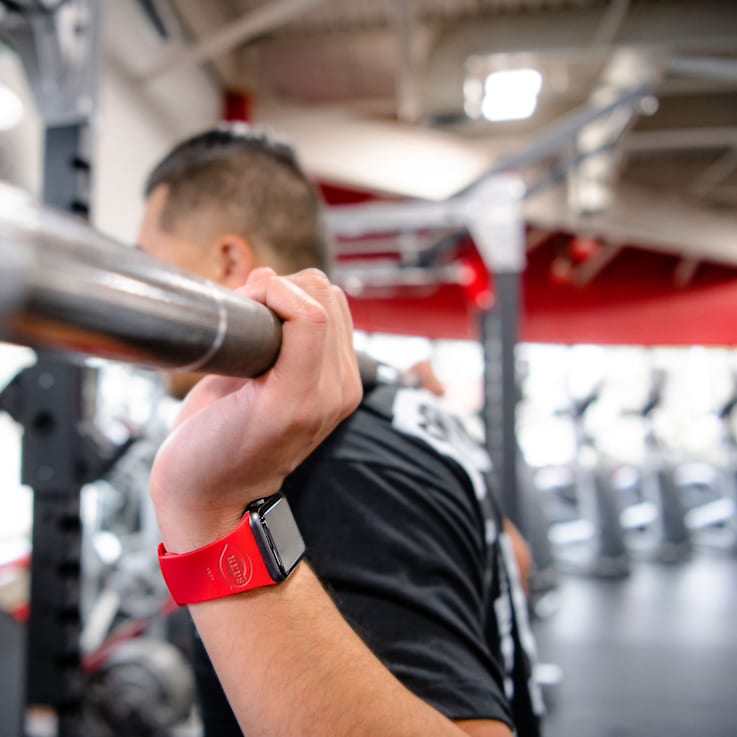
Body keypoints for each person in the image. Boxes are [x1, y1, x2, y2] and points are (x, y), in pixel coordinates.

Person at [138, 125, 543, 737]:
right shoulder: (399, 410)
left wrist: (211, 510)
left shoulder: (339, 467)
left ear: (229, 261)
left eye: (152, 266)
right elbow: (513, 554)